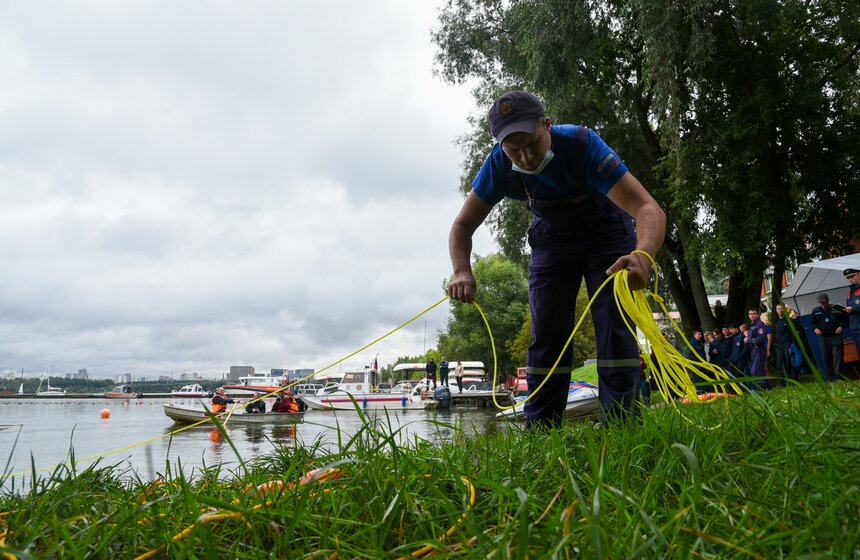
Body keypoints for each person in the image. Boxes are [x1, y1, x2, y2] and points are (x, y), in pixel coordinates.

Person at [447, 91, 666, 428]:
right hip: (552, 240)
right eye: (513, 149)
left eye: (532, 143)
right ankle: (542, 427)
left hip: (605, 232)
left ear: (546, 125)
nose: (525, 157)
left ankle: (622, 423)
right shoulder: (498, 166)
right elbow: (462, 226)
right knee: (547, 329)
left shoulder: (583, 146)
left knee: (613, 322)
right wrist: (462, 270)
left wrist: (642, 256)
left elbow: (647, 208)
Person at [810, 292, 847, 382]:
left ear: (828, 300)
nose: (823, 304)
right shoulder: (816, 311)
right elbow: (812, 322)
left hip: (836, 336)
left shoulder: (836, 309)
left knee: (839, 357)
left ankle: (840, 377)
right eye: (821, 303)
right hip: (823, 337)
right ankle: (830, 378)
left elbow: (845, 319)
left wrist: (841, 327)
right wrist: (815, 329)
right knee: (826, 358)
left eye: (824, 302)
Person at [773, 303, 800, 385]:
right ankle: (784, 382)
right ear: (776, 310)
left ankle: (793, 381)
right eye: (778, 309)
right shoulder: (777, 322)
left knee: (790, 362)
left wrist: (793, 344)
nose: (780, 310)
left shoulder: (789, 320)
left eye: (781, 309)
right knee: (779, 363)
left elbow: (793, 333)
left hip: (788, 344)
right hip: (780, 345)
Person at [745, 308, 771, 389]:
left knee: (757, 369)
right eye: (750, 314)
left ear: (758, 315)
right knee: (756, 369)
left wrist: (749, 340)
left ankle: (762, 388)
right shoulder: (752, 325)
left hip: (759, 348)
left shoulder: (760, 324)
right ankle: (768, 386)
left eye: (753, 314)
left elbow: (761, 338)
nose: (752, 315)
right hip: (754, 349)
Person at [843, 268, 860, 354]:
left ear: (859, 275)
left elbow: (854, 308)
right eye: (848, 278)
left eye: (852, 276)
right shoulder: (850, 294)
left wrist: (852, 308)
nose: (850, 279)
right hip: (855, 328)